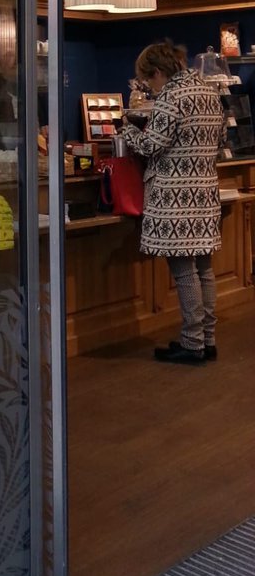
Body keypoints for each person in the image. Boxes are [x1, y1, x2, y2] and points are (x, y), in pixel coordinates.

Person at [122, 40, 225, 365]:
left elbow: (151, 145)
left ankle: (192, 344)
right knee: (204, 270)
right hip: (205, 193)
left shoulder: (172, 95)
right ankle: (207, 339)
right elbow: (221, 139)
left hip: (174, 198)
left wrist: (125, 130)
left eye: (147, 80)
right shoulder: (209, 91)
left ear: (157, 72)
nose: (149, 87)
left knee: (183, 272)